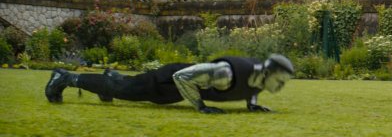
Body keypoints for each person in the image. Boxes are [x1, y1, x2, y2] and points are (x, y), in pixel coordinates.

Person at [44, 54, 294, 114]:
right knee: (125, 92)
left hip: (175, 92)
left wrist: (252, 105)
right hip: (169, 80)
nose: (281, 86)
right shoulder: (225, 72)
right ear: (269, 72)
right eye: (280, 80)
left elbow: (252, 89)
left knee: (125, 86)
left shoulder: (259, 79)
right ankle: (65, 77)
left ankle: (110, 77)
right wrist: (201, 106)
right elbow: (181, 78)